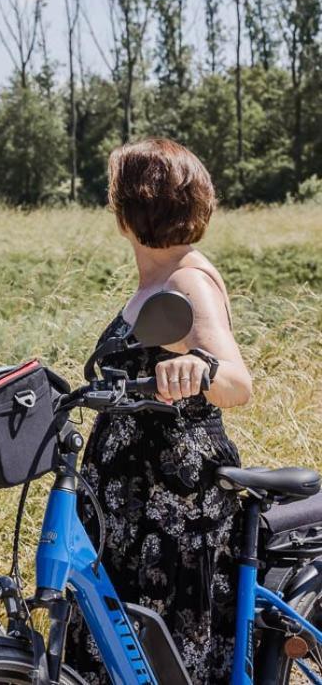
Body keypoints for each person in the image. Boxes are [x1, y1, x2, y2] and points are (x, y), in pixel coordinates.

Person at [66, 138, 253, 685]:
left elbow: (238, 382)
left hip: (171, 506)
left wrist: (200, 367)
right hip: (130, 502)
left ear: (131, 208)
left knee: (162, 655)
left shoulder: (186, 280)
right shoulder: (154, 279)